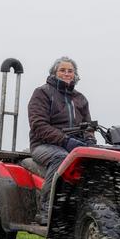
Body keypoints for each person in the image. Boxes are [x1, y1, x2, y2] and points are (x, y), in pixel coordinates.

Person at [28, 56, 96, 225]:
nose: (67, 73)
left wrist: (90, 141)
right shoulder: (42, 93)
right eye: (62, 70)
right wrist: (65, 141)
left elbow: (88, 126)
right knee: (61, 159)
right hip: (44, 145)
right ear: (54, 73)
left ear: (75, 75)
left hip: (74, 146)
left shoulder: (80, 98)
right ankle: (45, 210)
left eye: (70, 71)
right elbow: (38, 125)